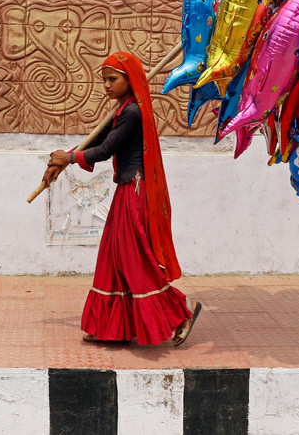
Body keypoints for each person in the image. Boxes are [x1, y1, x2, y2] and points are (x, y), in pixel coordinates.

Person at [42, 51, 201, 346]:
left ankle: (182, 310)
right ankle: (111, 328)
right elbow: (98, 141)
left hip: (135, 191)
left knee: (133, 259)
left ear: (130, 80)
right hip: (126, 189)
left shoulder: (132, 112)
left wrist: (69, 158)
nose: (106, 85)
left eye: (112, 79)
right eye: (104, 80)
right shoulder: (123, 110)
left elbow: (103, 151)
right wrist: (63, 161)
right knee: (113, 258)